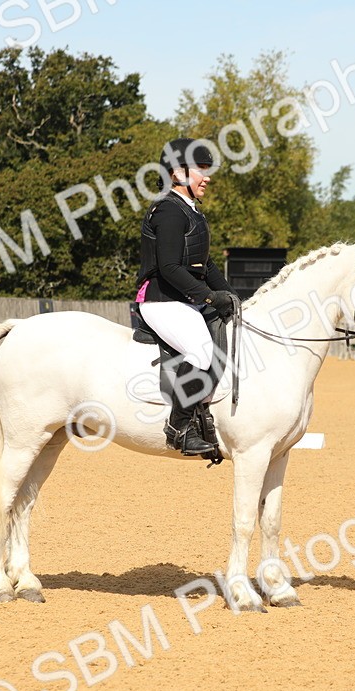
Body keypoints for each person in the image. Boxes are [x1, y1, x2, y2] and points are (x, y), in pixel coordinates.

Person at [135, 138, 240, 457]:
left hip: (182, 300)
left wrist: (231, 296)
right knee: (201, 350)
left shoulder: (191, 211)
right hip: (161, 300)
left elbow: (206, 265)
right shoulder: (169, 210)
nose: (207, 177)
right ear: (177, 173)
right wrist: (208, 297)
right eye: (201, 170)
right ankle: (178, 428)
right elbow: (169, 267)